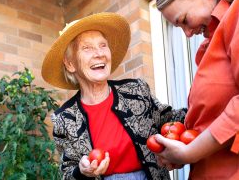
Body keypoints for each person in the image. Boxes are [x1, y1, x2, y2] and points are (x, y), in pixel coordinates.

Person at [41, 12, 187, 180]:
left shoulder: (135, 90)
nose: (99, 53)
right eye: (87, 48)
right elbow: (67, 173)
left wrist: (202, 108)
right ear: (70, 64)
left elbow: (169, 120)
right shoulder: (64, 119)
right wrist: (81, 171)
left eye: (103, 45)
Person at [154, 0, 239, 179]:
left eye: (183, 20)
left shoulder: (236, 15)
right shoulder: (211, 44)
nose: (188, 33)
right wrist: (183, 146)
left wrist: (189, 153)